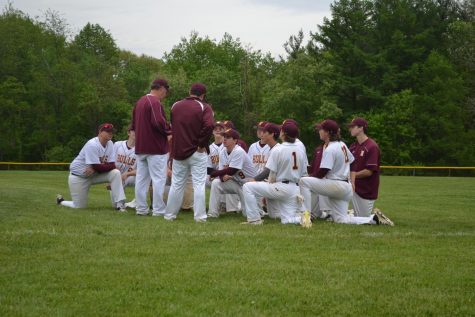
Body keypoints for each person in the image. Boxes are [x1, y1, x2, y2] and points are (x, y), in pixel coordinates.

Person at [299, 119, 394, 226]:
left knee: (303, 181)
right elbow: (353, 163)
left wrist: (310, 176)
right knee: (341, 219)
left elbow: (323, 172)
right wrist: (352, 182)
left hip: (336, 185)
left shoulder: (331, 148)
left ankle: (306, 217)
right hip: (345, 187)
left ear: (328, 132)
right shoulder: (342, 144)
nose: (319, 131)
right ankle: (373, 219)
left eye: (321, 130)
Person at [164, 83, 215, 222]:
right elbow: (210, 125)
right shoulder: (204, 106)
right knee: (198, 184)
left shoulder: (176, 105)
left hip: (179, 151)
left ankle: (169, 215)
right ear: (203, 95)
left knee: (176, 184)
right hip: (196, 151)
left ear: (190, 91)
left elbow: (173, 128)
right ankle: (199, 216)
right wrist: (201, 144)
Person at [242, 120, 308, 225]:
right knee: (285, 220)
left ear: (283, 134)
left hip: (281, 187)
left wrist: (268, 185)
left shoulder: (278, 149)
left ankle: (254, 220)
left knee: (247, 187)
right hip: (294, 189)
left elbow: (271, 174)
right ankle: (302, 218)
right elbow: (304, 172)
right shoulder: (300, 149)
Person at [56, 123, 126, 211]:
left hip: (95, 175)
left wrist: (98, 167)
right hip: (79, 177)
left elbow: (111, 164)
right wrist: (98, 167)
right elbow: (98, 167)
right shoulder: (92, 144)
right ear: (100, 132)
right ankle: (61, 201)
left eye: (112, 132)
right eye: (107, 131)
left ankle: (119, 205)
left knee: (115, 173)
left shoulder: (110, 143)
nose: (110, 133)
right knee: (79, 206)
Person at [132, 78, 171, 216]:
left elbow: (133, 126)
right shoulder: (154, 101)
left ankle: (141, 209)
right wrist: (170, 130)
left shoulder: (140, 101)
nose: (165, 94)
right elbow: (158, 122)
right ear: (161, 88)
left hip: (141, 146)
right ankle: (159, 210)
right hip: (155, 147)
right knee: (158, 179)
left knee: (141, 180)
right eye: (166, 91)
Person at [207, 129, 257, 218]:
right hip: (236, 182)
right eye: (224, 137)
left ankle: (258, 210)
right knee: (216, 183)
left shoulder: (239, 151)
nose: (224, 139)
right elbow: (222, 171)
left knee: (250, 214)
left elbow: (232, 170)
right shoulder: (223, 152)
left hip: (249, 184)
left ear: (235, 140)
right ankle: (212, 213)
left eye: (228, 137)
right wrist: (222, 177)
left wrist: (214, 174)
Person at [348, 117, 381, 217]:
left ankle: (377, 218)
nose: (350, 129)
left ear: (361, 128)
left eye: (353, 127)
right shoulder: (353, 146)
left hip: (366, 190)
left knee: (363, 218)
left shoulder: (372, 146)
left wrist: (351, 177)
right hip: (353, 186)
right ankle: (329, 213)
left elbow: (369, 171)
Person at [248, 122, 281, 219]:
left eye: (264, 131)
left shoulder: (276, 149)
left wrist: (255, 179)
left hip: (275, 182)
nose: (261, 133)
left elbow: (268, 171)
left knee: (250, 187)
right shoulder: (254, 146)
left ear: (271, 134)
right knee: (275, 215)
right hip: (271, 181)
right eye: (259, 130)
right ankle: (258, 211)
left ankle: (255, 216)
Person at [207, 121, 241, 213]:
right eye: (215, 129)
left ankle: (232, 207)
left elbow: (232, 170)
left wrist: (217, 175)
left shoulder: (233, 147)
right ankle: (207, 208)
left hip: (239, 178)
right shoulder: (209, 148)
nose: (218, 131)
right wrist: (216, 175)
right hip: (219, 174)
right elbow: (208, 168)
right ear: (212, 131)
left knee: (228, 178)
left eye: (220, 129)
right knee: (202, 180)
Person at [113, 124, 137, 208]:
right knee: (115, 205)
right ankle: (120, 204)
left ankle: (138, 201)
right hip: (115, 177)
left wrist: (127, 174)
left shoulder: (141, 149)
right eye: (134, 130)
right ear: (128, 133)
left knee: (145, 178)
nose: (136, 132)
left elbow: (142, 171)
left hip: (130, 177)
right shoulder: (117, 145)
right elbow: (110, 161)